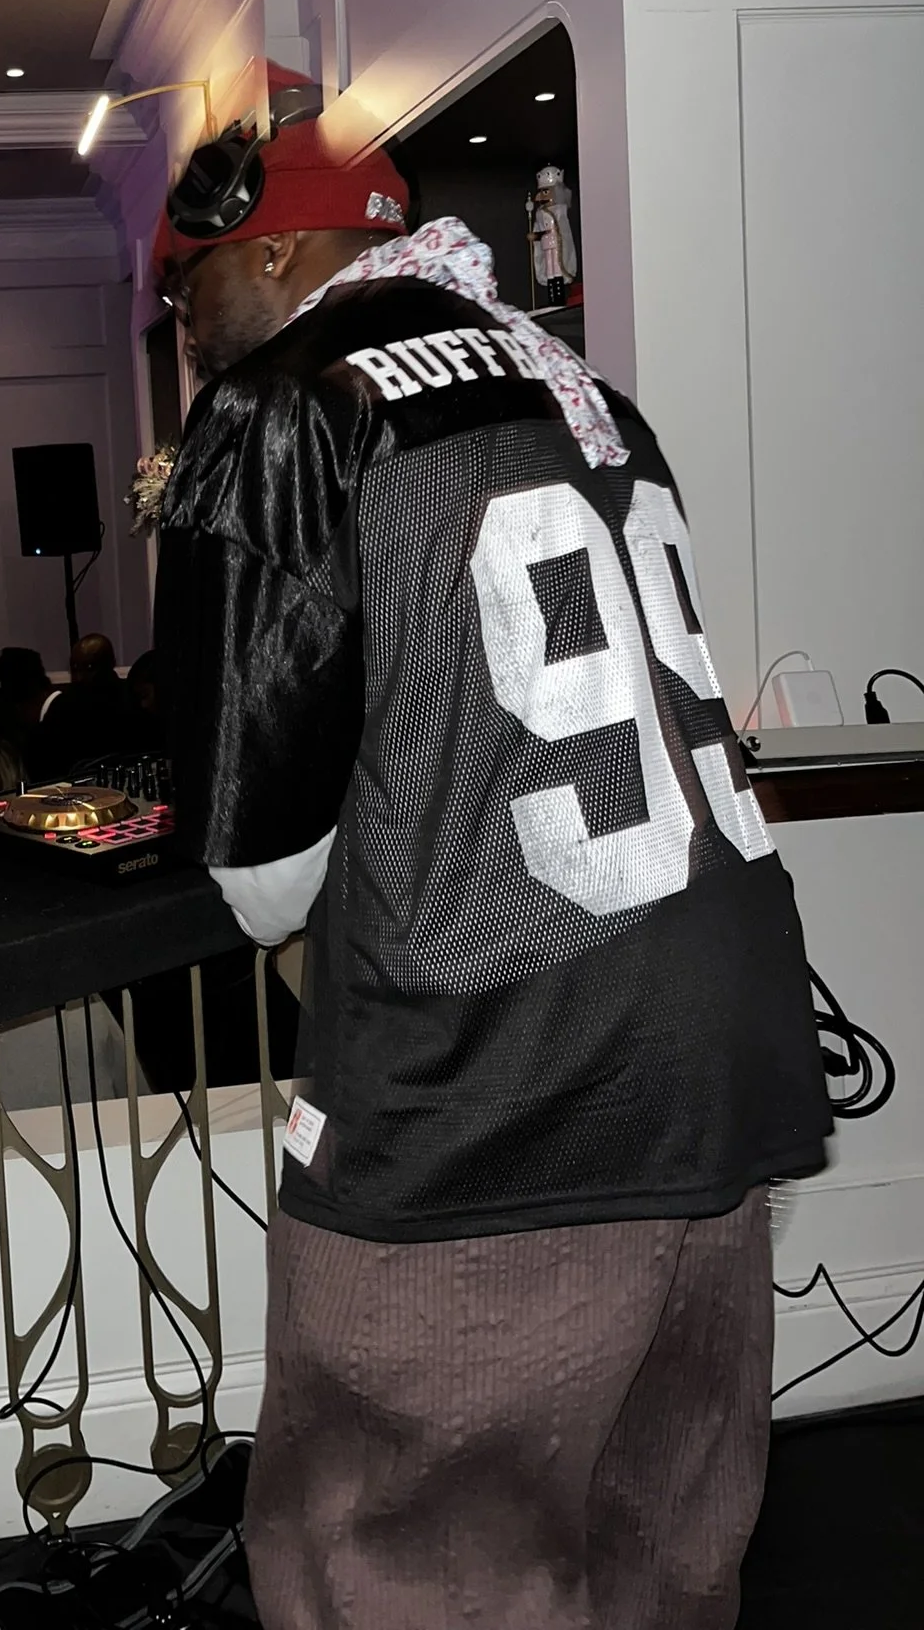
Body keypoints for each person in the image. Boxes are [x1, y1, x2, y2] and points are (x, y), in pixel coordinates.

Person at [153, 116, 832, 1629]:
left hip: (498, 1088)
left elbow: (263, 878)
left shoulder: (282, 407)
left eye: (187, 286)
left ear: (274, 249)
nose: (183, 325)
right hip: (718, 1053)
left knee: (405, 1576)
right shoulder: (583, 384)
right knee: (664, 1566)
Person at [30, 632, 149, 778]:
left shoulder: (134, 700)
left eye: (90, 667)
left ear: (109, 663)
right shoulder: (62, 705)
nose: (80, 676)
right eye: (75, 668)